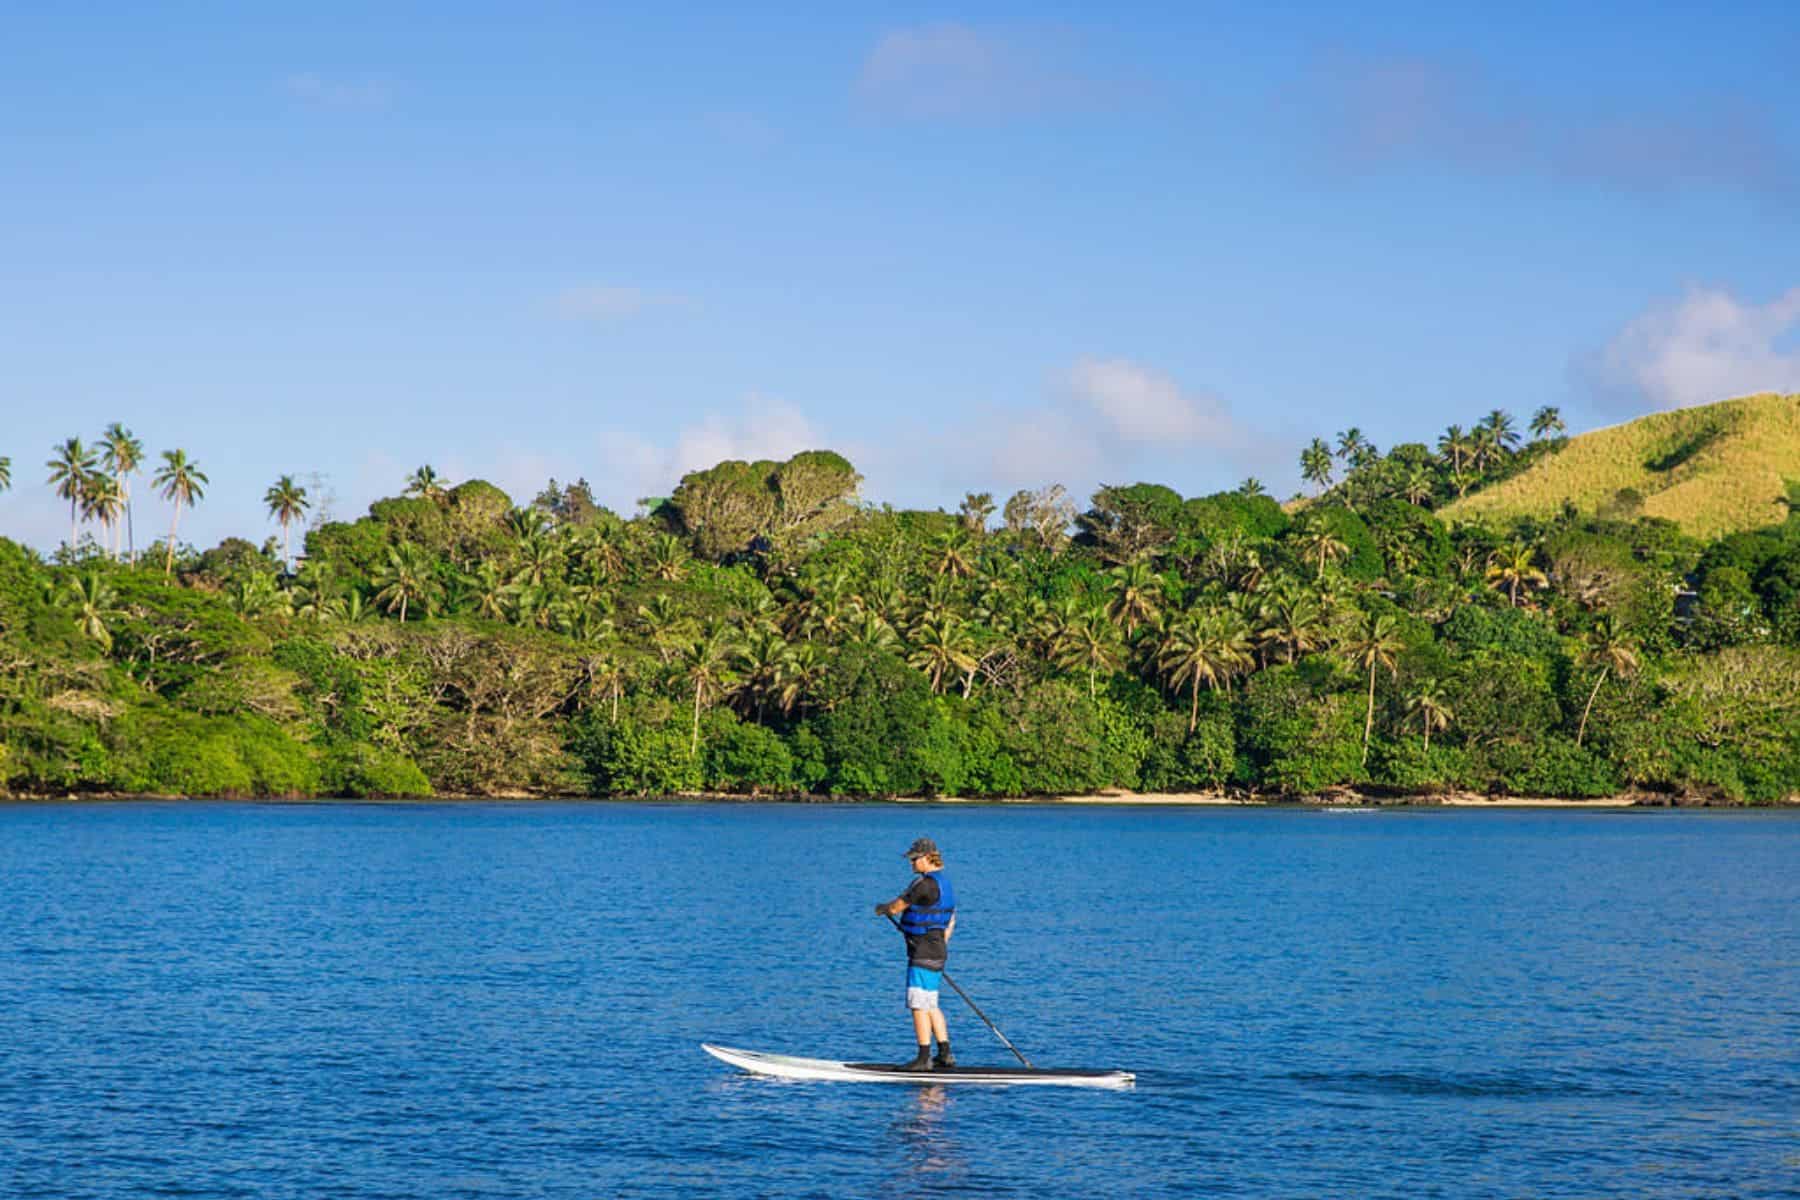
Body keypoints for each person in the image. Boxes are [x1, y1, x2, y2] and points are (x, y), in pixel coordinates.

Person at [874, 837, 957, 1071]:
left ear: (928, 857)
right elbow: (951, 921)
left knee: (918, 1004)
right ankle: (945, 1054)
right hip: (938, 949)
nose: (911, 863)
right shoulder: (945, 885)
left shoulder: (924, 885)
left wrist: (882, 909)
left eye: (914, 859)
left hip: (922, 952)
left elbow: (896, 907)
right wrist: (939, 944)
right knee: (931, 1003)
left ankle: (923, 1059)